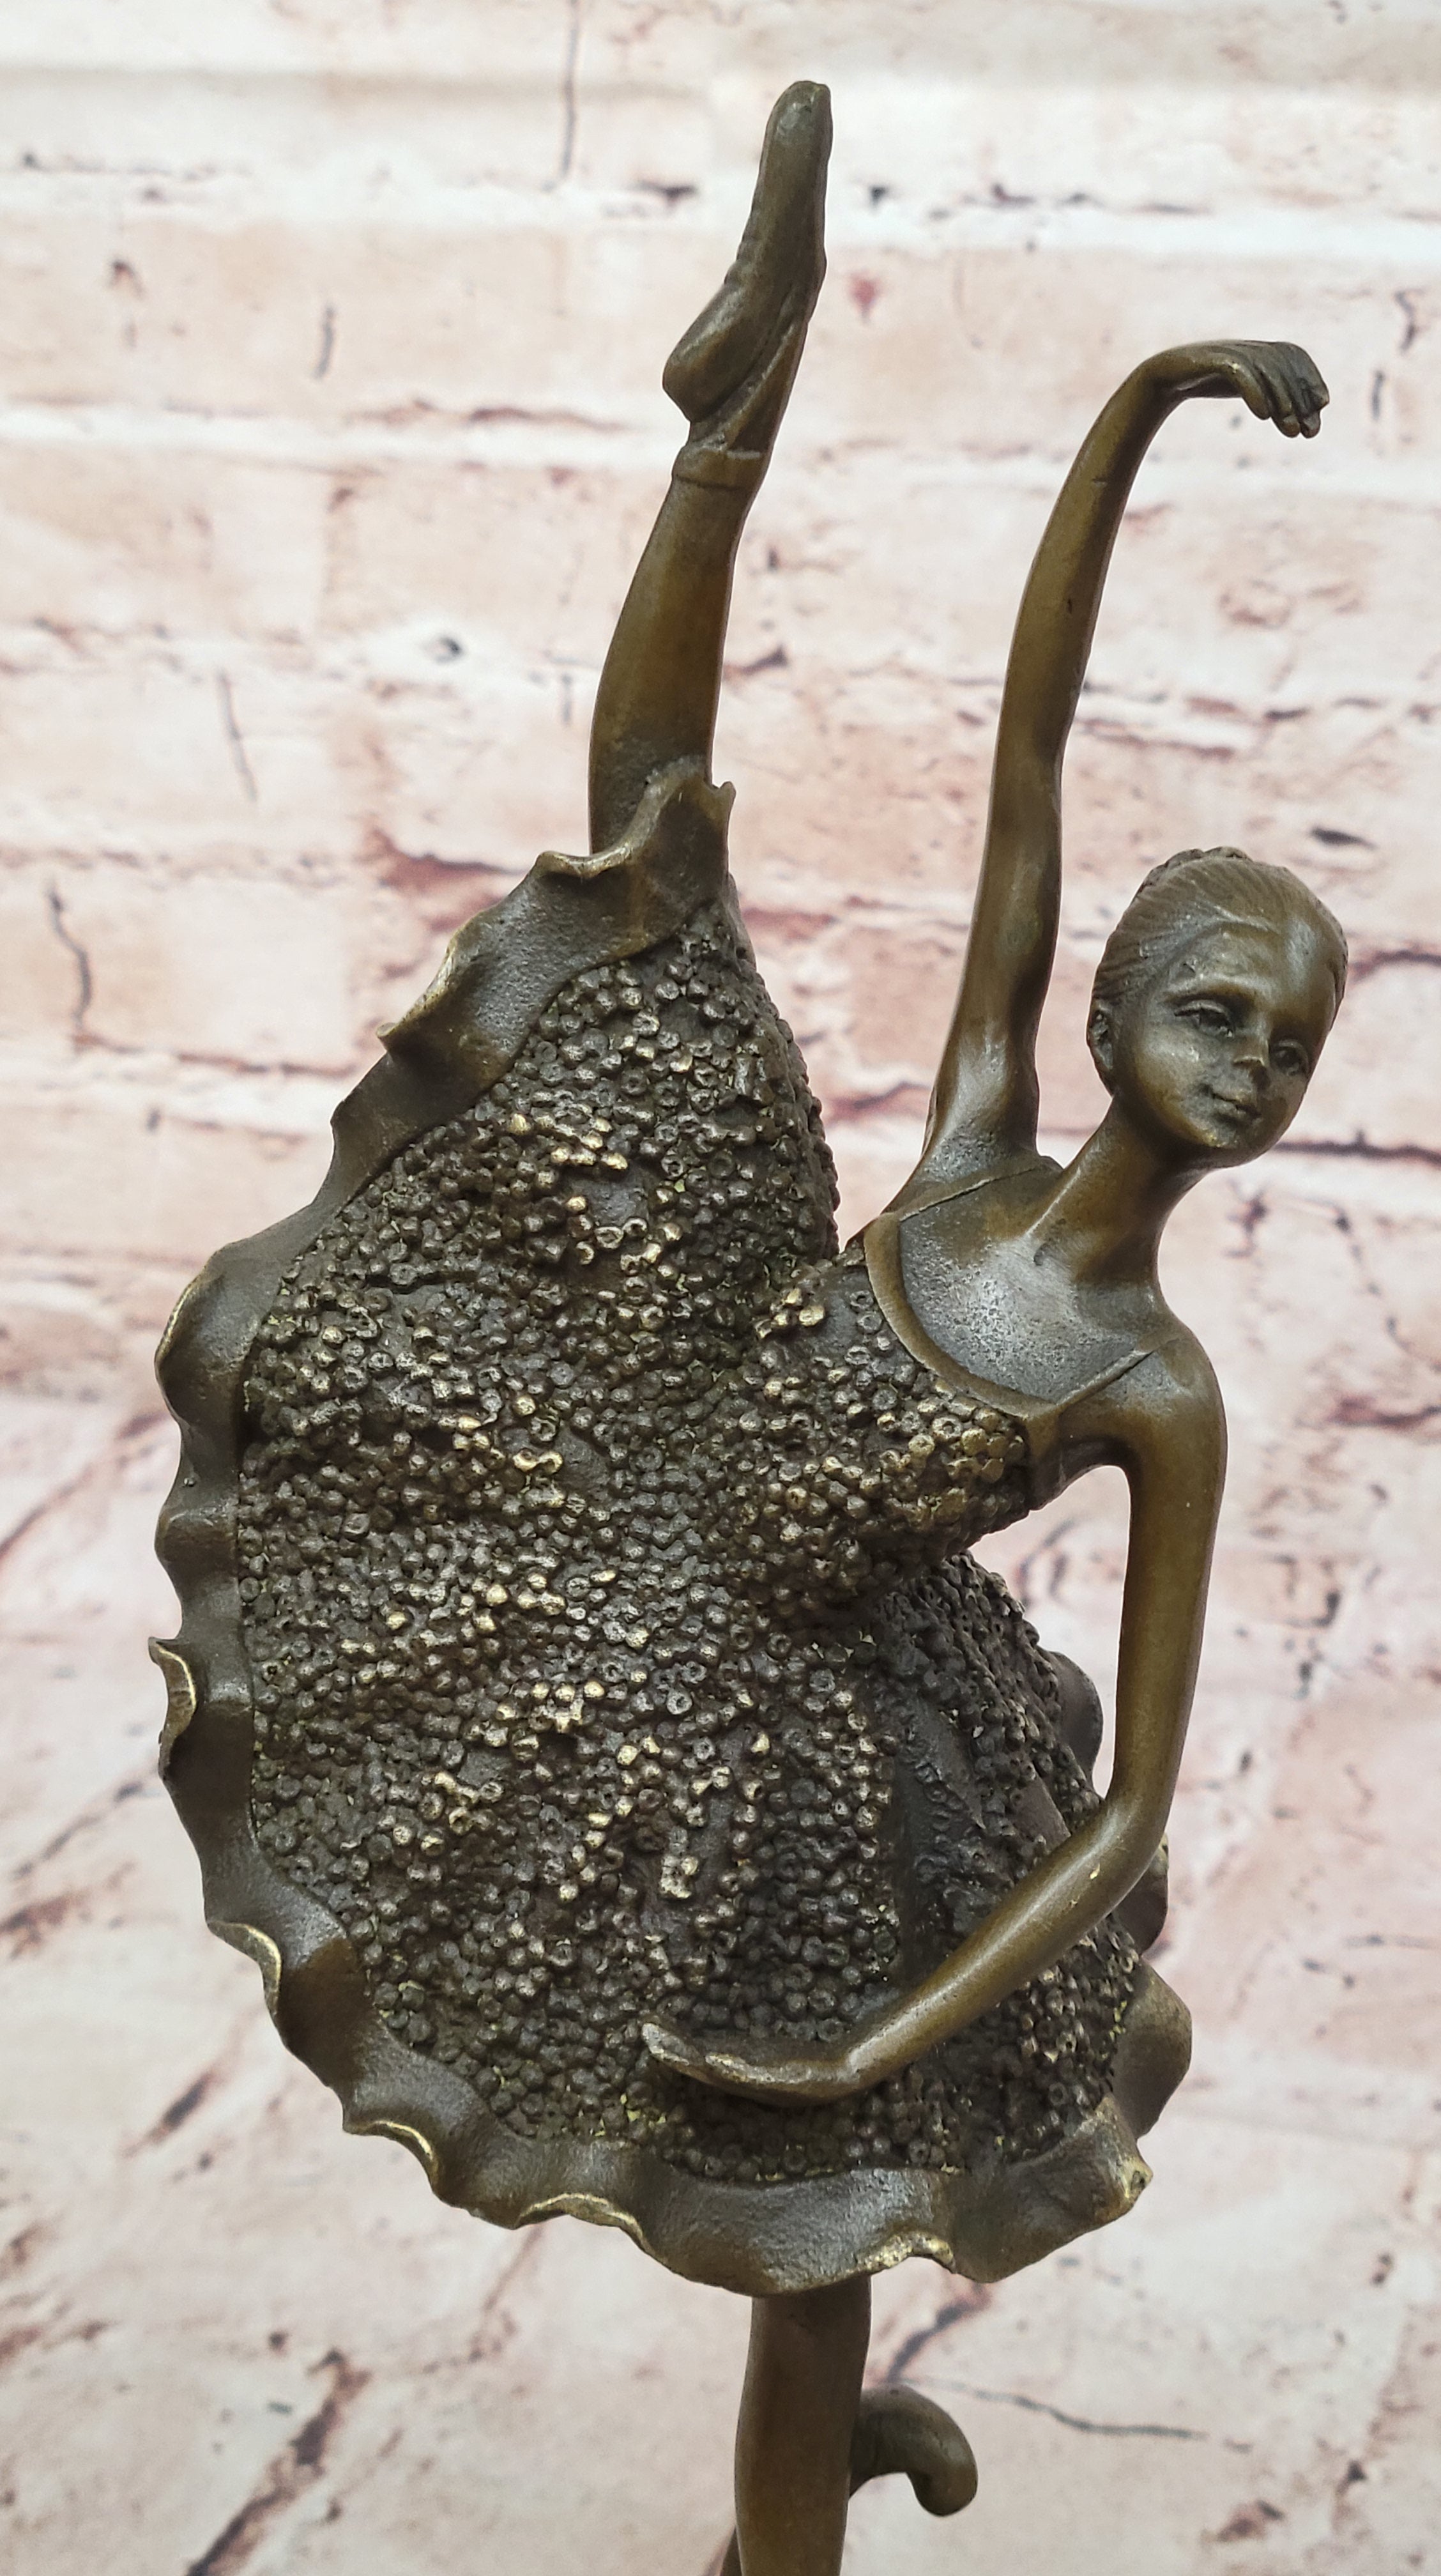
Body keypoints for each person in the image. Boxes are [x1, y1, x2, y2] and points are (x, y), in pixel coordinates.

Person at [157, 82, 1343, 2576]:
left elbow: (1134, 1810)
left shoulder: (1155, 1391)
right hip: (614, 1516)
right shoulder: (983, 1141)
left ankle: (788, 2516)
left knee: (826, 2204)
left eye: (1293, 1048)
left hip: (830, 1736)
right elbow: (1030, 743)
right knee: (655, 882)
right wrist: (1125, 410)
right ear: (1113, 1006)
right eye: (1220, 1007)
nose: (1250, 1065)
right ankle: (725, 423)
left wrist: (875, 2039)